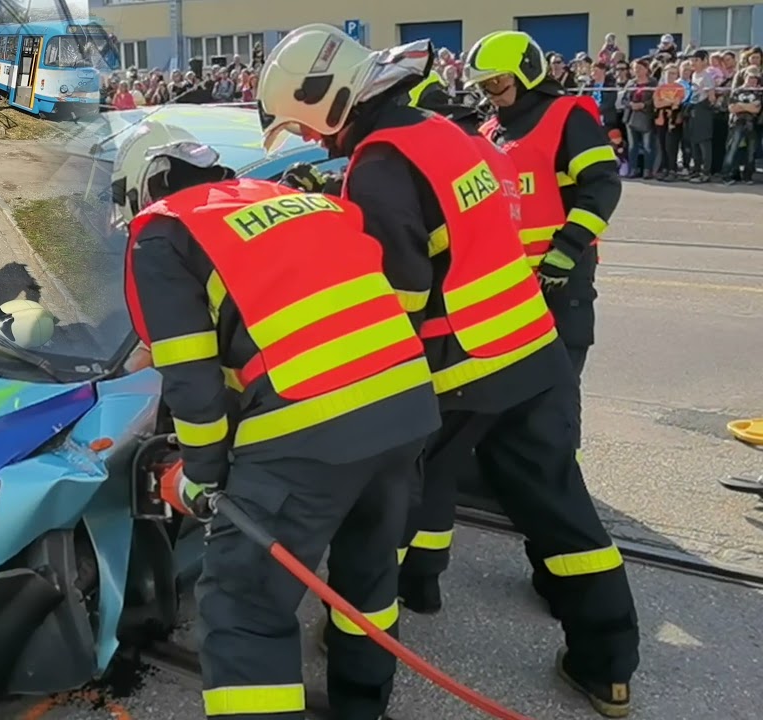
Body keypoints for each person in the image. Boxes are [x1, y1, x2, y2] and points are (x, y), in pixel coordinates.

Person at [259, 26, 639, 718]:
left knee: (386, 507)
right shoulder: (438, 130)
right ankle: (608, 665)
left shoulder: (379, 164)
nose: (310, 140)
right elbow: (446, 220)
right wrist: (345, 196)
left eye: (306, 125)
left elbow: (400, 290)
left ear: (331, 101)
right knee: (560, 507)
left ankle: (362, 647)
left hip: (463, 362)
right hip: (532, 344)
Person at [116, 119, 439, 720]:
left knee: (244, 604)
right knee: (366, 577)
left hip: (309, 429)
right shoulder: (293, 202)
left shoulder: (163, 232)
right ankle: (361, 707)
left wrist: (203, 476)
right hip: (405, 403)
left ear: (143, 190)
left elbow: (192, 381)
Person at [464, 31, 620, 380]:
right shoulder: (489, 131)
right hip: (509, 284)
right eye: (483, 86)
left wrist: (566, 251)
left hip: (560, 278)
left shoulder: (567, 118)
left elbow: (603, 186)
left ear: (527, 72)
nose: (491, 94)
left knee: (558, 390)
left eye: (497, 82)